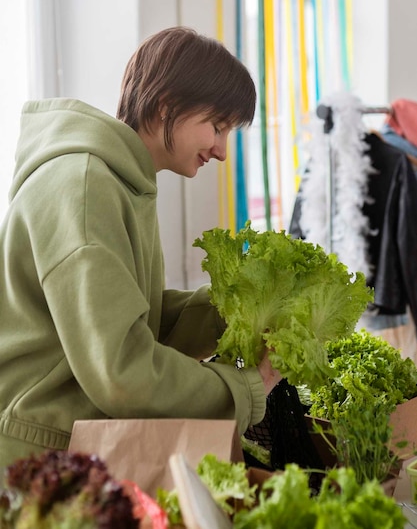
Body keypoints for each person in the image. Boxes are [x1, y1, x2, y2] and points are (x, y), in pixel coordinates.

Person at [0, 26, 281, 473]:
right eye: (217, 126)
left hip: (65, 446)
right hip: (35, 460)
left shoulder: (119, 181)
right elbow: (121, 369)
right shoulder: (87, 186)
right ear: (166, 106)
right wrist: (248, 386)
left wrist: (240, 308)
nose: (223, 152)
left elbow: (134, 318)